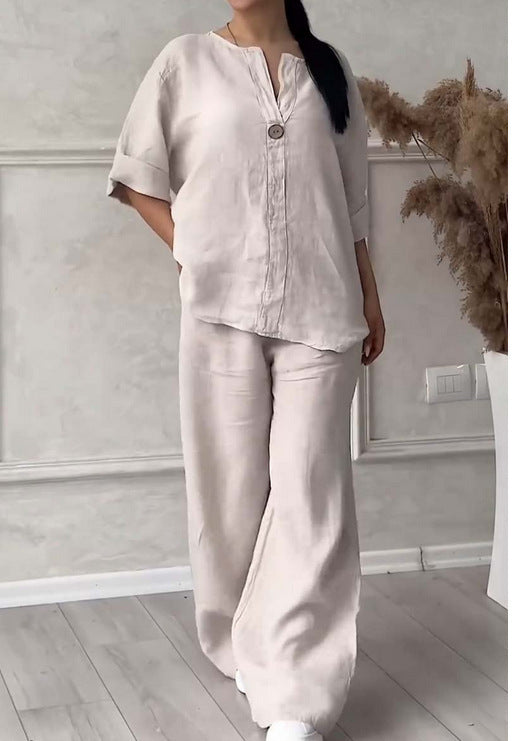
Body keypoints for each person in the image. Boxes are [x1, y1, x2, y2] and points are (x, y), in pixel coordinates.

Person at [106, 1, 385, 739]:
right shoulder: (185, 61)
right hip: (219, 309)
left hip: (323, 308)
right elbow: (137, 176)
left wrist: (370, 294)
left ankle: (295, 693)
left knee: (308, 492)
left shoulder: (330, 70)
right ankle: (244, 642)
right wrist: (191, 250)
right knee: (229, 496)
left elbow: (354, 202)